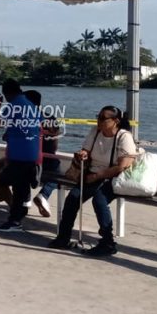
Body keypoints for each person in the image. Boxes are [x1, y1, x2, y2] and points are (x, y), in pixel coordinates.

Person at [47, 106, 137, 256]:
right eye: (98, 116)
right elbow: (87, 150)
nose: (99, 121)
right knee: (73, 199)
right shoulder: (95, 132)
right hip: (92, 174)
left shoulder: (124, 137)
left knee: (99, 200)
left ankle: (108, 242)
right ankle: (63, 237)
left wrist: (97, 176)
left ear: (116, 121)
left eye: (103, 118)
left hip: (113, 178)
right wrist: (83, 154)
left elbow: (122, 166)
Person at [0, 79, 42, 232]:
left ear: (6, 93)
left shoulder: (13, 105)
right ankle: (16, 218)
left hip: (18, 154)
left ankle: (16, 217)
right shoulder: (31, 105)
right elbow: (41, 123)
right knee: (19, 187)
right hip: (31, 153)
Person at [29, 91, 64, 218]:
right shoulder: (50, 118)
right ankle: (43, 195)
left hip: (26, 158)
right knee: (58, 175)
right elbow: (54, 144)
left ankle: (22, 203)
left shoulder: (21, 118)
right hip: (45, 159)